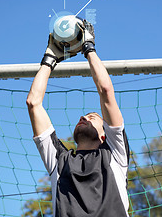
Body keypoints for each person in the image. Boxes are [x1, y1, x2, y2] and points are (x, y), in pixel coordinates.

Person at [26, 20, 129, 216]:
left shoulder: (115, 153)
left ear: (104, 135)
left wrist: (88, 48)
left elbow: (105, 91)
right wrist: (49, 57)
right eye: (84, 116)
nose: (84, 117)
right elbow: (33, 103)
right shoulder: (59, 160)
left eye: (92, 117)